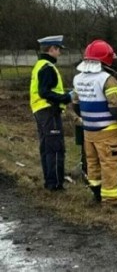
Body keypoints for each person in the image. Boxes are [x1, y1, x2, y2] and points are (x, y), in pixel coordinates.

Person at [72, 40, 117, 207]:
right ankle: (111, 199)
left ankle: (96, 195)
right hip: (107, 131)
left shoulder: (78, 78)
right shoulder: (108, 79)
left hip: (89, 131)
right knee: (109, 164)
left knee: (92, 163)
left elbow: (76, 105)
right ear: (106, 60)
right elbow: (116, 107)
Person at [30, 35, 73, 191]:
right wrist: (67, 97)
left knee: (47, 147)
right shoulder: (47, 67)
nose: (59, 53)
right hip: (49, 110)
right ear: (52, 49)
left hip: (41, 110)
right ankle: (55, 184)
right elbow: (44, 92)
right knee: (56, 148)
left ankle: (50, 182)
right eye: (58, 49)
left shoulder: (39, 65)